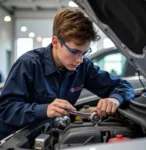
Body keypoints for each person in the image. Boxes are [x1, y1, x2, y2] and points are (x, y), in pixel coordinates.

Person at [0, 8, 135, 140]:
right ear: (56, 42)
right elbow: (6, 109)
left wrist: (114, 99)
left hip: (50, 136)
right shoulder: (28, 64)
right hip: (15, 139)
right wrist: (44, 109)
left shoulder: (83, 67)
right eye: (75, 51)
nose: (80, 59)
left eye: (84, 52)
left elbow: (125, 86)